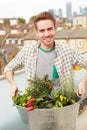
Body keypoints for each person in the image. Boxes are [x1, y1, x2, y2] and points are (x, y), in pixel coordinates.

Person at [4, 11, 87, 98]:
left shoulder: (66, 50)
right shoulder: (27, 51)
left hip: (63, 105)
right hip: (35, 106)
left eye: (50, 29)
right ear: (36, 32)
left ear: (55, 28)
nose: (47, 34)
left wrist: (83, 83)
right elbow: (8, 68)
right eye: (42, 30)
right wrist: (13, 84)